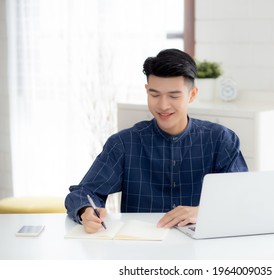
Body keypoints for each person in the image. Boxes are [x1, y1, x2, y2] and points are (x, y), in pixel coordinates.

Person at [65, 49, 248, 233]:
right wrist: (85, 211)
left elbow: (241, 196)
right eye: (154, 95)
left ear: (192, 95)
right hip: (141, 251)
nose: (163, 105)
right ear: (146, 91)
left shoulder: (221, 140)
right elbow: (83, 193)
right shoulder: (124, 143)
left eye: (174, 96)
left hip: (202, 250)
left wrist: (203, 212)